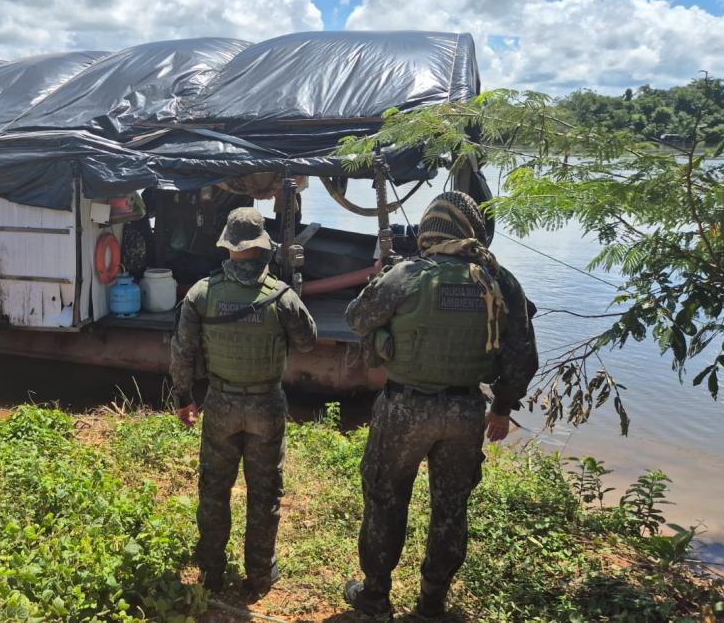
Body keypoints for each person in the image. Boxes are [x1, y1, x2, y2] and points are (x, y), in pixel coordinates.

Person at [343, 190, 539, 620]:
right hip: (466, 411)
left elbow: (356, 319)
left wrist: (381, 297)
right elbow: (523, 355)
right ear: (471, 229)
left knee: (384, 499)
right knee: (450, 509)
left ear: (428, 230)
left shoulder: (407, 274)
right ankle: (432, 603)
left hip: (404, 410)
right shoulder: (499, 280)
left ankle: (374, 597)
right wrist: (502, 408)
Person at [170, 207, 317, 595]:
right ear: (262, 247)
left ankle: (211, 572)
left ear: (229, 246)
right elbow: (307, 341)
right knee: (265, 492)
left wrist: (184, 398)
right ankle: (259, 574)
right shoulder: (280, 295)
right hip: (266, 405)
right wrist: (292, 293)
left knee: (214, 490)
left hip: (219, 402)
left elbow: (182, 352)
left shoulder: (202, 292)